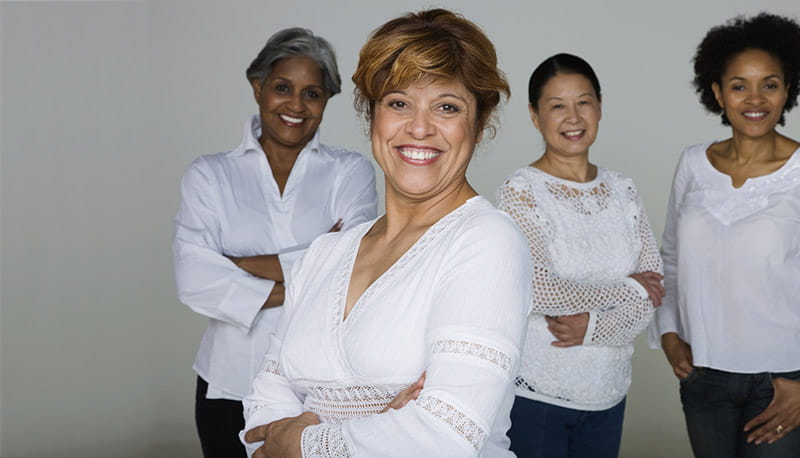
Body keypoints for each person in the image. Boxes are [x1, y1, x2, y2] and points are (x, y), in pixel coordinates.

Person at [239, 9, 532, 458]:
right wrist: (382, 425)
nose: (419, 127)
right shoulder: (325, 253)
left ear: (479, 124)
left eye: (447, 107)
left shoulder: (486, 241)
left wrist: (299, 440)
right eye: (398, 103)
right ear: (372, 115)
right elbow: (263, 411)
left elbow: (445, 438)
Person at [172, 28, 377, 458]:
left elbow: (355, 263)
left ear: (327, 100)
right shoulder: (210, 175)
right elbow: (193, 278)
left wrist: (238, 263)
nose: (296, 106)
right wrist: (313, 268)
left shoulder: (349, 172)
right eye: (283, 88)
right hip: (228, 380)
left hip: (317, 388)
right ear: (258, 87)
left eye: (312, 93)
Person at [496, 53, 664, 458]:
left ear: (600, 106)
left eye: (583, 102)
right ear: (536, 116)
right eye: (557, 106)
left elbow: (654, 289)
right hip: (540, 396)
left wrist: (591, 329)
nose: (573, 116)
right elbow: (539, 292)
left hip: (609, 392)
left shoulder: (623, 189)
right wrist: (628, 286)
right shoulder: (520, 192)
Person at [649, 13, 800, 458]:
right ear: (717, 92)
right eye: (739, 85)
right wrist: (669, 332)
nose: (755, 99)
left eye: (769, 84)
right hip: (705, 375)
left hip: (784, 380)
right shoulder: (693, 164)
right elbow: (671, 257)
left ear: (788, 89)